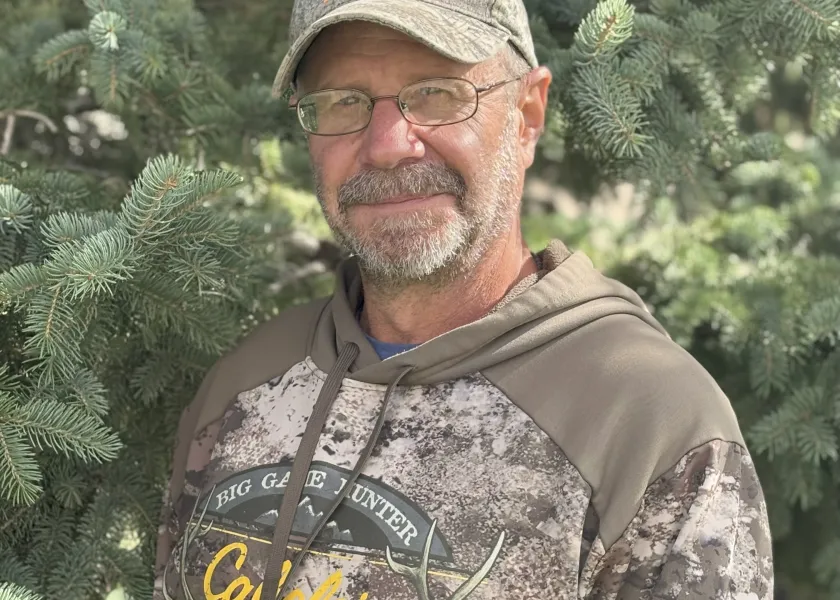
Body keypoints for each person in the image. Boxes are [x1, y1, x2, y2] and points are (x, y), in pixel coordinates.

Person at [153, 0, 774, 598]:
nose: (389, 143)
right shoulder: (246, 382)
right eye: (343, 102)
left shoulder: (646, 420)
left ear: (528, 114)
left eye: (436, 92)